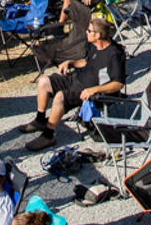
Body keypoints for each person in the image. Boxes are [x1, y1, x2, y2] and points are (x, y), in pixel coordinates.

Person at [22, 18, 126, 151]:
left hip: (88, 92)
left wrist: (93, 90)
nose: (86, 32)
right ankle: (40, 119)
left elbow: (118, 84)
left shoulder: (114, 54)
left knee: (60, 96)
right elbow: (87, 62)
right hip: (76, 79)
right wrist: (70, 62)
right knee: (44, 82)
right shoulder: (95, 45)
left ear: (98, 35)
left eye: (89, 31)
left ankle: (48, 136)